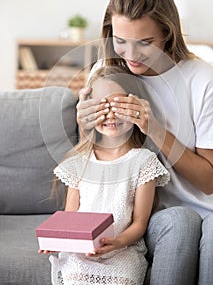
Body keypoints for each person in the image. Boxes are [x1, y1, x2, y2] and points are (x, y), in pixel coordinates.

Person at [76, 0, 213, 285]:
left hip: (212, 207)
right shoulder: (106, 73)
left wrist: (155, 130)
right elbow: (94, 167)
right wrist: (85, 128)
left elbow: (211, 181)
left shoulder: (204, 81)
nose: (130, 55)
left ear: (167, 34)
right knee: (181, 222)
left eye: (145, 43)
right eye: (121, 40)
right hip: (147, 214)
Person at [40, 66, 170, 285]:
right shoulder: (79, 163)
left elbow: (139, 222)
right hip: (82, 252)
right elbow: (70, 217)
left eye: (118, 106)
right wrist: (59, 240)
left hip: (123, 250)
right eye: (102, 106)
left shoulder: (143, 161)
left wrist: (118, 242)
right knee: (76, 278)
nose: (110, 114)